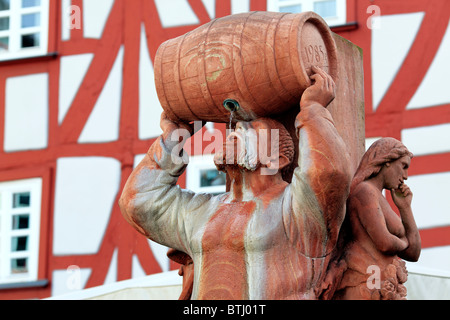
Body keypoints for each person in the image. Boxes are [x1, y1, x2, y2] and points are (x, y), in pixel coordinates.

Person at [119, 67, 352, 300]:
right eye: (237, 128)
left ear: (277, 159)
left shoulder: (295, 209)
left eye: (254, 130)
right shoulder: (203, 211)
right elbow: (138, 201)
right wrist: (173, 140)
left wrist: (313, 110)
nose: (238, 130)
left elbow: (328, 175)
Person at [334, 137, 421, 300]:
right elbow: (384, 242)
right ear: (387, 160)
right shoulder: (364, 191)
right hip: (366, 283)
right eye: (403, 166)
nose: (406, 176)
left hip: (382, 286)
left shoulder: (379, 197)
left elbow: (414, 253)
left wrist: (405, 207)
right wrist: (403, 242)